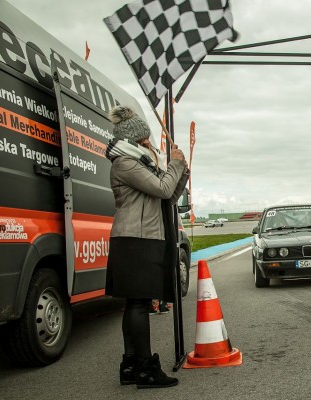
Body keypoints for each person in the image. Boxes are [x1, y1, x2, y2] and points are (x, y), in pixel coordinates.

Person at [104, 105, 189, 389]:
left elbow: (168, 196)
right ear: (134, 140)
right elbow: (163, 189)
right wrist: (174, 165)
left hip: (141, 237)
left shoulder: (138, 163)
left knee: (135, 303)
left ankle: (130, 365)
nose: (149, 145)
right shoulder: (125, 164)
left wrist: (182, 170)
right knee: (139, 303)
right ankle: (145, 369)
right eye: (145, 141)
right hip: (135, 240)